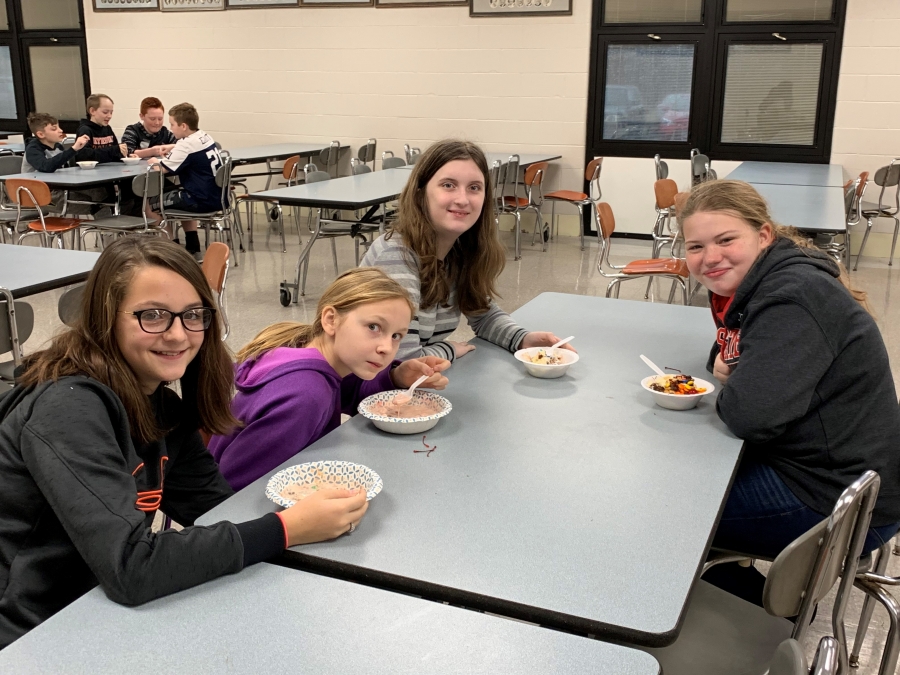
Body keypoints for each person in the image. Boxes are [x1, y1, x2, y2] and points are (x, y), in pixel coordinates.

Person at [0, 237, 368, 649]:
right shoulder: (68, 409)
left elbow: (214, 507)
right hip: (27, 635)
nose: (179, 335)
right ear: (106, 318)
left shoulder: (159, 404)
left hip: (92, 611)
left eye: (194, 315)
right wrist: (284, 528)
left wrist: (305, 517)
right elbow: (131, 567)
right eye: (153, 315)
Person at [680, 180, 900, 605]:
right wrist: (737, 372)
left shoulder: (792, 298)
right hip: (835, 472)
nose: (710, 258)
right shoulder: (770, 279)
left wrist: (736, 385)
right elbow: (723, 353)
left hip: (832, 499)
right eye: (695, 247)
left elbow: (750, 415)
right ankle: (731, 585)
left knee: (670, 508)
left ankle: (745, 614)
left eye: (726, 240)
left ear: (763, 235)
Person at [209, 267, 451, 491]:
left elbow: (350, 392)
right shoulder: (306, 395)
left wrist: (396, 377)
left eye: (397, 335)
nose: (387, 348)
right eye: (374, 327)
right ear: (331, 320)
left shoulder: (313, 358)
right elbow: (235, 492)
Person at [360, 139, 575, 361]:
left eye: (474, 188)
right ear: (420, 193)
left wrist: (523, 339)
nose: (462, 199)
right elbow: (400, 361)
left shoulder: (458, 251)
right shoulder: (396, 256)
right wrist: (449, 350)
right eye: (448, 185)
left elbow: (483, 314)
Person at [146, 102, 222, 262]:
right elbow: (188, 151)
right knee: (177, 196)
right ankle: (193, 245)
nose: (171, 128)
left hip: (200, 200)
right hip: (217, 197)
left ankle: (171, 252)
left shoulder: (185, 144)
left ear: (183, 126)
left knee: (152, 203)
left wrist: (153, 160)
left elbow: (162, 168)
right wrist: (174, 148)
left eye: (172, 124)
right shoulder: (205, 136)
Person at [19, 112, 104, 216]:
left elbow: (65, 171)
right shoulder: (33, 149)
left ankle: (108, 228)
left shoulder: (58, 147)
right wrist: (73, 149)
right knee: (96, 204)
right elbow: (46, 167)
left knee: (100, 191)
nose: (61, 130)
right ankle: (104, 225)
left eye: (59, 127)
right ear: (41, 134)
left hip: (58, 189)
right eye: (54, 129)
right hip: (39, 196)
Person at [73, 93, 127, 164]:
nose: (109, 116)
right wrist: (114, 150)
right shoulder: (85, 130)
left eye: (111, 112)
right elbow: (84, 156)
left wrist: (125, 156)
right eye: (105, 112)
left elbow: (115, 153)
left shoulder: (107, 128)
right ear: (92, 111)